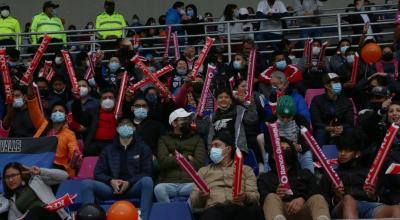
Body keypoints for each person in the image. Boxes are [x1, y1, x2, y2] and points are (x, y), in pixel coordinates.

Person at [81, 117, 153, 220]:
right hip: (112, 188)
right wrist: (111, 181)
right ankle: (90, 218)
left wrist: (129, 182)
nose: (125, 127)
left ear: (134, 128)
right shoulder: (108, 149)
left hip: (133, 187)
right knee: (86, 183)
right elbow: (98, 172)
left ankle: (144, 218)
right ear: (117, 129)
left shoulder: (143, 148)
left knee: (147, 181)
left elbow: (147, 172)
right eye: (121, 125)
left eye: (128, 124)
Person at [320, 131, 400, 219]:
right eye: (340, 150)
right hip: (342, 206)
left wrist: (374, 196)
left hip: (369, 206)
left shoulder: (370, 173)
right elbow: (322, 203)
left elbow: (385, 198)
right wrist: (337, 198)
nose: (342, 154)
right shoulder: (331, 174)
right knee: (348, 200)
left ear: (357, 154)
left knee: (397, 209)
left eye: (348, 150)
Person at [190, 132, 264, 220]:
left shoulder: (246, 169)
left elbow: (255, 197)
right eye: (211, 146)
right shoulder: (203, 171)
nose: (212, 149)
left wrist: (245, 197)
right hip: (214, 209)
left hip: (240, 208)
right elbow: (194, 202)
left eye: (216, 145)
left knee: (256, 211)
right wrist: (201, 196)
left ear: (228, 149)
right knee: (209, 216)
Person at [258, 137, 330, 220]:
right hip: (281, 211)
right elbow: (262, 201)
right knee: (270, 197)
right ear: (273, 155)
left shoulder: (305, 173)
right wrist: (277, 195)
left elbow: (317, 191)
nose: (285, 151)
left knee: (318, 198)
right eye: (282, 149)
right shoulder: (264, 178)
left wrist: (303, 198)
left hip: (304, 211)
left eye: (288, 149)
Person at [26, 81, 81, 177]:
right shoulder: (43, 126)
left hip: (57, 169)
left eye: (61, 111)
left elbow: (74, 151)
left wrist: (76, 159)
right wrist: (31, 94)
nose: (57, 112)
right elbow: (34, 111)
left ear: (65, 116)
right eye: (55, 111)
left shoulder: (69, 134)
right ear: (51, 115)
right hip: (38, 164)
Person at [155, 108, 206, 202]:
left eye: (188, 119)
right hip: (168, 182)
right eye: (184, 119)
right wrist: (187, 157)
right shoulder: (163, 139)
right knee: (158, 189)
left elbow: (200, 163)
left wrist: (173, 157)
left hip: (190, 182)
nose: (188, 122)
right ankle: (169, 214)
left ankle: (187, 214)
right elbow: (163, 162)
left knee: (199, 189)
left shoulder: (197, 139)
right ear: (174, 123)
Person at [262, 95, 313, 173]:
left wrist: (300, 147)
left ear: (293, 114)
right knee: (267, 156)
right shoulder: (271, 121)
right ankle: (268, 178)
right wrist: (276, 150)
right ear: (277, 113)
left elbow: (307, 140)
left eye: (289, 117)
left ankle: (310, 178)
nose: (285, 120)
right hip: (278, 152)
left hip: (297, 152)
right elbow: (268, 145)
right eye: (282, 117)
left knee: (307, 155)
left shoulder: (301, 120)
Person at [2, 162, 70, 220]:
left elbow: (64, 175)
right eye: (7, 177)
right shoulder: (12, 202)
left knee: (36, 210)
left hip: (54, 216)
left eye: (13, 175)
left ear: (22, 174)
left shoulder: (37, 180)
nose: (10, 180)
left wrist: (40, 171)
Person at [207, 88, 259, 154]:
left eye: (226, 97)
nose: (223, 99)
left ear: (231, 100)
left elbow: (252, 119)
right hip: (218, 151)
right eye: (220, 97)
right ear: (216, 101)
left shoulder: (239, 110)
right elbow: (210, 135)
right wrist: (210, 150)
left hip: (236, 150)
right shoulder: (213, 116)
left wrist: (249, 103)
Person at [310, 73, 354, 146]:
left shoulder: (346, 101)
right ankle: (318, 156)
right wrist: (330, 128)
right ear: (326, 86)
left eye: (339, 82)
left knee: (350, 131)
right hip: (325, 129)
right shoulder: (317, 100)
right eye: (335, 82)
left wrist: (341, 127)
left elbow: (349, 121)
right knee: (320, 132)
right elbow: (316, 122)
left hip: (341, 129)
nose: (339, 84)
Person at [71, 88, 117, 156]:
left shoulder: (119, 112)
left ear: (115, 100)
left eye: (110, 98)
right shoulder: (92, 112)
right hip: (96, 144)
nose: (108, 100)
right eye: (104, 98)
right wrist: (77, 100)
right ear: (100, 100)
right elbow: (79, 118)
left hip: (114, 144)